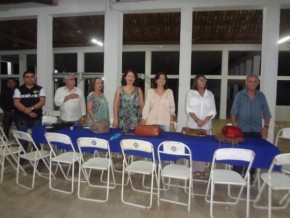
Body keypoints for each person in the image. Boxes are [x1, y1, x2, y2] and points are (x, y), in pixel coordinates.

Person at [230, 74, 271, 179]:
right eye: (250, 81)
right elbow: (233, 113)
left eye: (254, 81)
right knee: (240, 153)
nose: (252, 84)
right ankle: (236, 174)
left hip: (257, 131)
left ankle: (250, 175)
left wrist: (266, 127)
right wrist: (234, 127)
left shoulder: (261, 96)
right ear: (246, 83)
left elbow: (267, 114)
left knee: (253, 154)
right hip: (242, 130)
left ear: (258, 83)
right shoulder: (239, 95)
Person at [185, 74, 217, 178]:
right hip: (193, 124)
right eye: (201, 80)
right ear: (196, 82)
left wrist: (204, 120)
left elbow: (213, 109)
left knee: (203, 147)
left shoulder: (210, 94)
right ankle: (193, 169)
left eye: (204, 80)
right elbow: (188, 108)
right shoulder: (190, 93)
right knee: (193, 147)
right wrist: (197, 120)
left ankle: (202, 169)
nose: (203, 82)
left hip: (206, 125)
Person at [13, 71, 45, 150]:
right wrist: (26, 111)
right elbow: (16, 103)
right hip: (22, 118)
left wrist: (30, 109)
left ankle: (38, 156)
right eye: (27, 77)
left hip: (36, 117)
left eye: (31, 77)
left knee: (36, 137)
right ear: (24, 79)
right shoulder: (18, 89)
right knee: (23, 138)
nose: (30, 79)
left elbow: (42, 102)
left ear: (34, 78)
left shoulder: (40, 89)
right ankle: (22, 157)